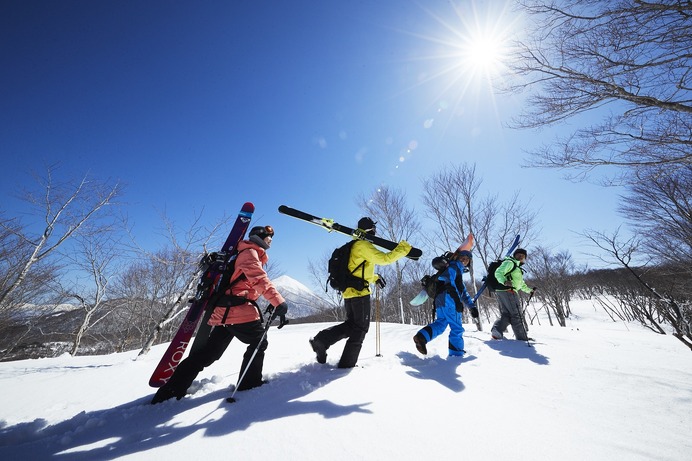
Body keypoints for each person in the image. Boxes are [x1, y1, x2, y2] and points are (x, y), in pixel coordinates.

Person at [151, 225, 288, 404]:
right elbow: (260, 279)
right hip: (236, 312)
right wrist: (279, 302)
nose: (271, 240)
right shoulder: (250, 254)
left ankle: (171, 390)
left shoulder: (245, 253)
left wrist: (269, 303)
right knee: (259, 341)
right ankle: (250, 383)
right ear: (259, 236)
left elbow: (247, 284)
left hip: (226, 312)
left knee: (210, 353)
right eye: (269, 236)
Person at [309, 217, 412, 368]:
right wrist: (404, 249)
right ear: (370, 229)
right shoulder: (364, 245)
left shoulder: (352, 245)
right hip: (360, 293)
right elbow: (384, 259)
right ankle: (347, 364)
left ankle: (322, 340)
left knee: (352, 325)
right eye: (375, 230)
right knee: (361, 328)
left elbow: (356, 270)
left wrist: (375, 277)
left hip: (349, 293)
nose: (376, 233)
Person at [413, 250, 477, 357]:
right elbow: (449, 282)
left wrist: (472, 307)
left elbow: (464, 293)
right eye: (462, 257)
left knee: (441, 323)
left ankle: (421, 337)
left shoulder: (456, 270)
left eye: (467, 259)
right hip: (449, 299)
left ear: (469, 263)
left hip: (440, 300)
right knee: (456, 327)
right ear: (457, 258)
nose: (464, 260)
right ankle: (456, 354)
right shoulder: (454, 267)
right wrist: (456, 300)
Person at [490, 248, 534, 341]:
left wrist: (529, 291)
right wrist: (504, 281)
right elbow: (498, 272)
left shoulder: (517, 268)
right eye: (518, 255)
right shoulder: (510, 263)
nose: (520, 257)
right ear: (514, 255)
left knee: (507, 314)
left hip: (504, 291)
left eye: (523, 256)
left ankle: (497, 330)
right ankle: (522, 338)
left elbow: (521, 284)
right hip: (508, 290)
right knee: (516, 314)